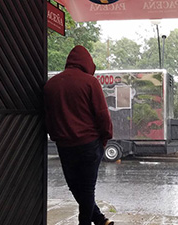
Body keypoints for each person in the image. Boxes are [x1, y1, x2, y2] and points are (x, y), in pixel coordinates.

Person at [44, 45, 113, 225]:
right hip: (89, 143)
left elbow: (48, 115)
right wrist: (104, 139)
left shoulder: (51, 84)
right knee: (87, 189)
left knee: (75, 186)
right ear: (87, 63)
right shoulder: (90, 82)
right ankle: (93, 220)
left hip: (65, 146)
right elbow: (102, 114)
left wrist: (56, 135)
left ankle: (98, 220)